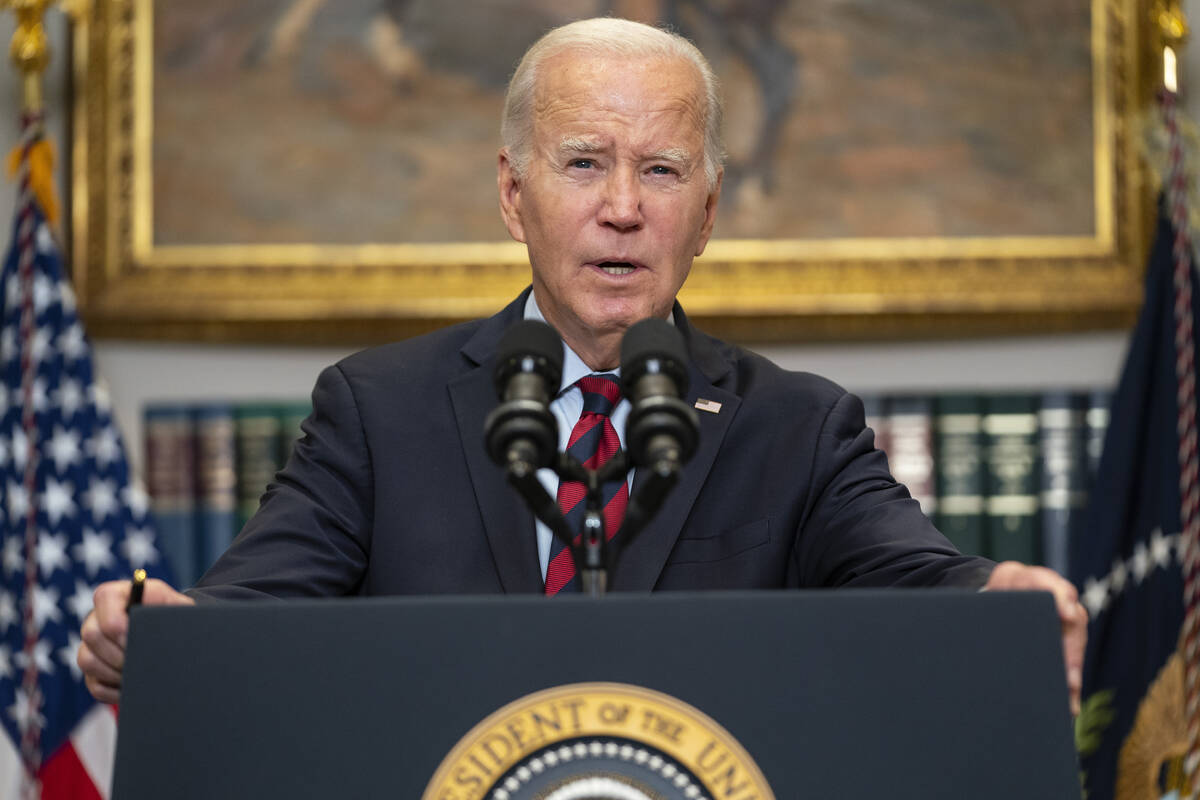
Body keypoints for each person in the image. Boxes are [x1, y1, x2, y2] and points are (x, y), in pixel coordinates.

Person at [79, 17, 1086, 710]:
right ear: (513, 195)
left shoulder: (798, 428)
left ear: (708, 211)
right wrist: (165, 627)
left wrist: (996, 597)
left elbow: (913, 576)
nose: (623, 207)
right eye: (584, 163)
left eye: (660, 169)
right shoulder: (379, 411)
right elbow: (254, 604)